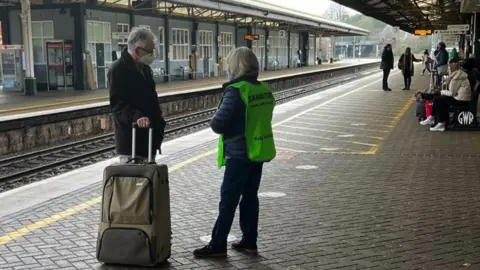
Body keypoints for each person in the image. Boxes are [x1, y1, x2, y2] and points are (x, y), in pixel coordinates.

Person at [193, 47, 276, 258]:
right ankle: (249, 241)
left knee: (228, 200)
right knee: (249, 197)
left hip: (239, 154)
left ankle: (218, 245)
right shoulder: (263, 89)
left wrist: (214, 120)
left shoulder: (236, 90)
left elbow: (218, 124)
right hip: (257, 152)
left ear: (235, 66)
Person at [108, 27, 166, 163]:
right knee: (134, 182)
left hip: (149, 137)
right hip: (132, 139)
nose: (152, 54)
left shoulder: (145, 68)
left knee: (150, 180)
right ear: (138, 49)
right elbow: (117, 105)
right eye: (150, 51)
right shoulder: (118, 69)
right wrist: (137, 117)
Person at [420, 57, 472, 131]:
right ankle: (434, 118)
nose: (449, 68)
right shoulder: (458, 74)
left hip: (462, 100)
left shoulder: (457, 78)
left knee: (439, 99)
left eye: (450, 66)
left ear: (453, 67)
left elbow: (451, 93)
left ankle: (440, 122)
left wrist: (442, 91)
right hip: (460, 97)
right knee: (438, 98)